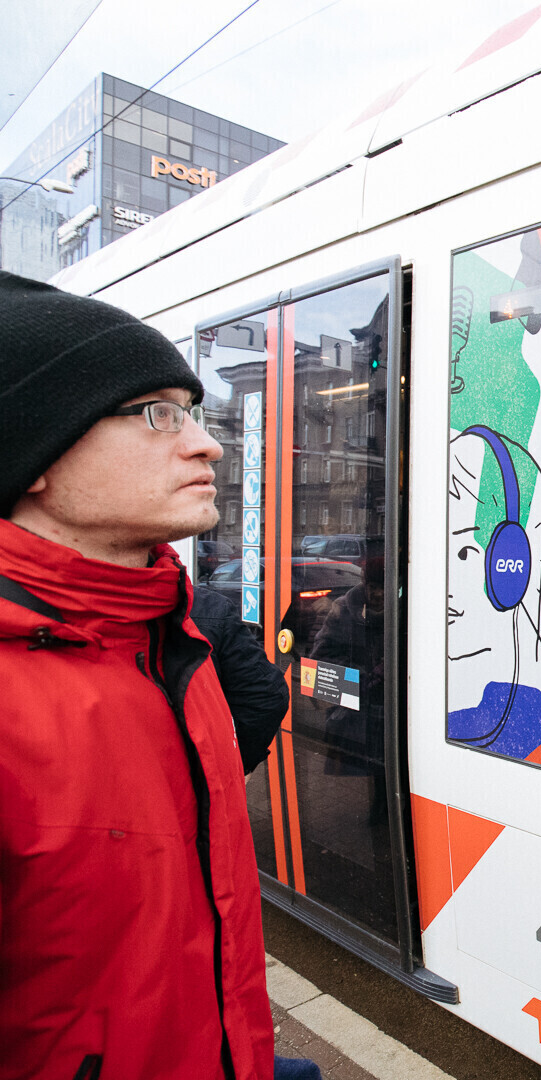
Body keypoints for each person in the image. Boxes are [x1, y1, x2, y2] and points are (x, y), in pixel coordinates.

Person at [0, 272, 275, 1079]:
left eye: (191, 411)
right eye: (157, 413)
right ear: (35, 452)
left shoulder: (170, 641)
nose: (207, 444)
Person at [191, 582, 289, 774]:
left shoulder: (210, 612)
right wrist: (233, 766)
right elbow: (267, 695)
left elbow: (265, 695)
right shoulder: (209, 608)